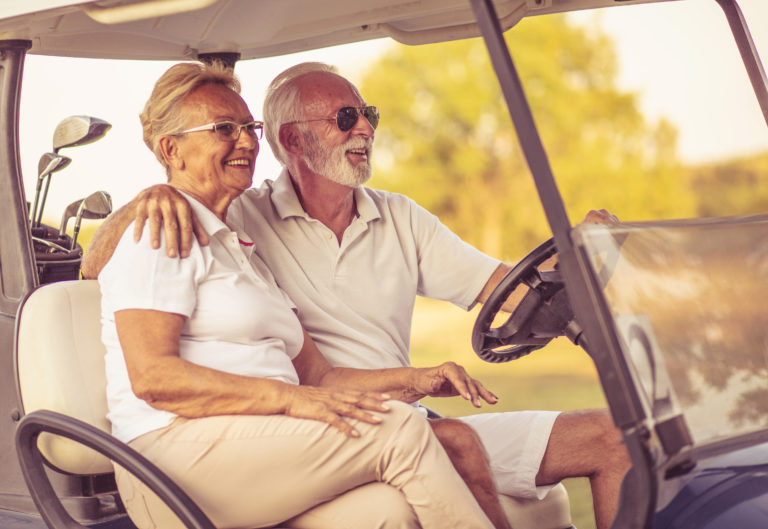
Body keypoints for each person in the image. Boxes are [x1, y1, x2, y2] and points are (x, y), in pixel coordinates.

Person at [85, 61, 631, 529]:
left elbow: (511, 290)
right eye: (346, 118)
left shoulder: (249, 243)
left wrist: (584, 257)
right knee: (421, 436)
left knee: (613, 436)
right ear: (293, 141)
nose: (365, 128)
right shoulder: (220, 217)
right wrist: (153, 195)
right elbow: (105, 268)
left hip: (354, 416)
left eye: (369, 115)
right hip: (317, 426)